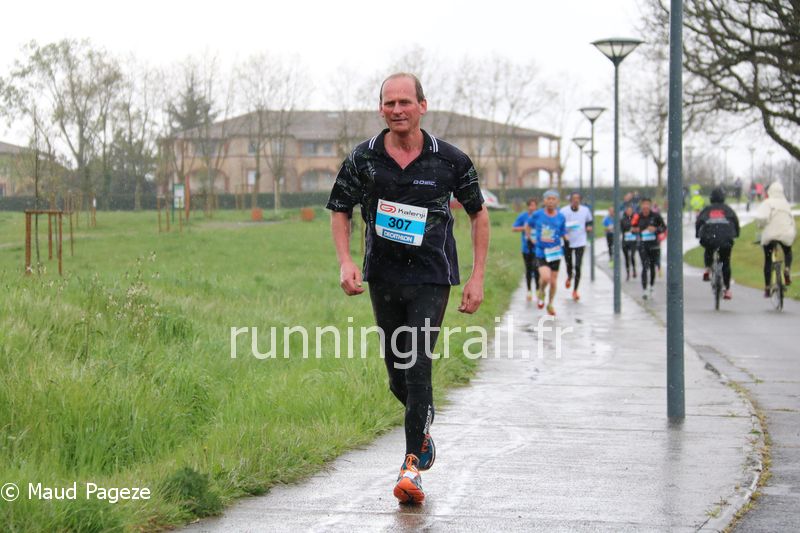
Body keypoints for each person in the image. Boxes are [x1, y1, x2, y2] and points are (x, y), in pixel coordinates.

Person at [326, 72, 489, 505]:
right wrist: (345, 261)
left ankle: (411, 467)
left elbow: (479, 214)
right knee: (397, 374)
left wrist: (477, 276)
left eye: (405, 102)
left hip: (432, 276)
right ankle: (423, 429)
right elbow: (340, 208)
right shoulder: (363, 158)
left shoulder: (450, 160)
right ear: (381, 108)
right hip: (383, 276)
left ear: (422, 106)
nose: (397, 110)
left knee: (418, 364)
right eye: (390, 103)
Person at [527, 190, 567, 315]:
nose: (550, 201)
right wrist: (530, 237)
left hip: (555, 252)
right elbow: (528, 226)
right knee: (545, 277)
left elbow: (563, 231)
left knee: (553, 281)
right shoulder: (537, 214)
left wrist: (567, 238)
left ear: (557, 201)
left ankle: (550, 304)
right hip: (541, 251)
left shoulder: (561, 217)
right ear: (544, 201)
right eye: (548, 199)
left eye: (553, 199)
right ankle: (541, 292)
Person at [696, 187, 740, 299]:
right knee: (726, 262)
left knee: (708, 249)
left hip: (709, 237)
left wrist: (697, 233)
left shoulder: (707, 209)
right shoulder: (728, 209)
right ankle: (727, 289)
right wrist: (736, 234)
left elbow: (699, 221)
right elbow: (735, 222)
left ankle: (707, 268)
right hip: (726, 238)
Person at [755, 181, 796, 296]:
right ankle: (787, 268)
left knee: (768, 260)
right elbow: (791, 220)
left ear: (770, 191)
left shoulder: (767, 203)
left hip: (771, 234)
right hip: (785, 233)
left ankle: (767, 287)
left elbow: (761, 218)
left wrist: (760, 226)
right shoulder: (786, 204)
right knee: (787, 251)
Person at [560, 192, 593, 301]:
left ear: (580, 200)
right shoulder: (564, 211)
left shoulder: (585, 210)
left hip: (580, 241)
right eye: (574, 198)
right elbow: (559, 224)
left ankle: (575, 291)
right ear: (570, 200)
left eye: (578, 198)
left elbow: (590, 221)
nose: (576, 200)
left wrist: (589, 227)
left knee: (578, 266)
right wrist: (563, 233)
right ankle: (569, 276)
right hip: (567, 241)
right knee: (568, 264)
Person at [633, 197, 667, 299]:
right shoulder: (637, 216)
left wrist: (655, 229)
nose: (645, 206)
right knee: (644, 266)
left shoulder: (656, 216)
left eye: (647, 204)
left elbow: (664, 228)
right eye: (644, 204)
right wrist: (636, 230)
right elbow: (632, 228)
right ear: (641, 206)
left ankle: (651, 286)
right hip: (642, 245)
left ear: (650, 205)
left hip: (654, 245)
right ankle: (644, 290)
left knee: (652, 267)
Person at [513, 198, 540, 302]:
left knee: (536, 269)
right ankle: (529, 291)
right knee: (528, 269)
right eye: (530, 205)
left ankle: (537, 290)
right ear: (527, 206)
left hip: (538, 248)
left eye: (534, 205)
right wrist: (525, 228)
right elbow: (514, 228)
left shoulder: (540, 216)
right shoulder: (523, 216)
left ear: (537, 206)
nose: (532, 207)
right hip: (526, 248)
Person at [620, 204, 638, 280]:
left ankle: (634, 270)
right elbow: (621, 229)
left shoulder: (635, 218)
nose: (629, 212)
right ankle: (627, 273)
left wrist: (635, 229)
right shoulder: (623, 219)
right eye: (628, 210)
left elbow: (638, 227)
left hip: (633, 241)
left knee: (632, 256)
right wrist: (628, 229)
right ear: (626, 211)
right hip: (625, 240)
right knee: (626, 258)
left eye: (630, 210)